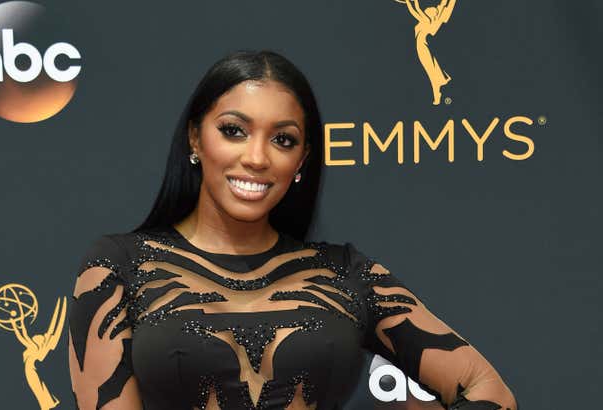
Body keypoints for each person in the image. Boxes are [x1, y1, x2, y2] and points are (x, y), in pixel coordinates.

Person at [68, 50, 517, 410]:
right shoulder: (119, 266)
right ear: (194, 137)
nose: (258, 158)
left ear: (301, 161)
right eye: (234, 131)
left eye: (283, 139)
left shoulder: (344, 273)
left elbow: (487, 390)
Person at [402, 0, 456, 105]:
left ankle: (437, 96)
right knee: (432, 73)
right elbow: (415, 10)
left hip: (423, 49)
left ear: (430, 13)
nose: (428, 8)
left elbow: (415, 10)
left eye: (430, 9)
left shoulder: (426, 21)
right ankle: (438, 95)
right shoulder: (426, 22)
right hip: (422, 49)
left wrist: (410, 2)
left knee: (432, 73)